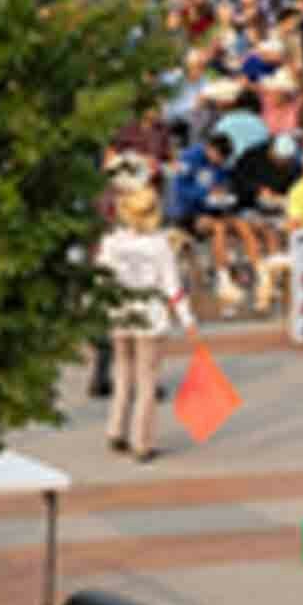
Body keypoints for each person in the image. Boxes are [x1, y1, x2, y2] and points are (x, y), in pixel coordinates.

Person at [95, 187, 190, 458]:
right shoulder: (160, 244)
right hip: (150, 315)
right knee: (147, 379)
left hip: (120, 312)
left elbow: (102, 278)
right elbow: (172, 286)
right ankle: (142, 441)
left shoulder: (112, 240)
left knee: (123, 371)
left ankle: (115, 430)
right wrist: (187, 318)